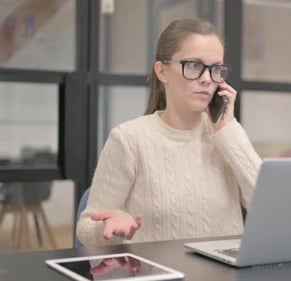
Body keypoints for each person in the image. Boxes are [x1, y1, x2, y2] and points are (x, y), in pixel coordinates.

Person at [76, 18, 262, 246]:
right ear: (162, 71)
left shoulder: (227, 137)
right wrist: (110, 228)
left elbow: (268, 209)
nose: (206, 79)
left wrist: (228, 130)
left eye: (215, 69)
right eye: (194, 65)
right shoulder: (128, 139)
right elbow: (86, 228)